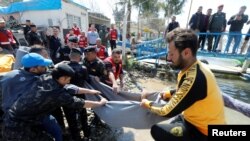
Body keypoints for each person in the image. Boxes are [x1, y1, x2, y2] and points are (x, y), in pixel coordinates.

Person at [140, 28, 225, 141]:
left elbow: (167, 111)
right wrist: (169, 93)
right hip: (193, 119)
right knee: (172, 124)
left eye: (171, 54)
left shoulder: (195, 78)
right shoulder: (193, 68)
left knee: (157, 130)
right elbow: (186, 91)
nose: (168, 58)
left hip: (203, 132)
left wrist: (146, 102)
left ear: (186, 53)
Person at [2, 63, 107, 141]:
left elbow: (68, 87)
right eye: (68, 79)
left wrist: (90, 91)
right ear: (62, 78)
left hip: (23, 117)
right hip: (17, 126)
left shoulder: (46, 77)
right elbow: (80, 103)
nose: (69, 81)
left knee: (54, 131)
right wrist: (100, 103)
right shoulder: (57, 94)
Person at [0, 53, 64, 141]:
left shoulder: (8, 76)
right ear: (33, 69)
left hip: (8, 116)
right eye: (42, 66)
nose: (45, 68)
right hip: (29, 116)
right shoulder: (36, 81)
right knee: (55, 129)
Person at [62, 48, 98, 140]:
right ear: (80, 58)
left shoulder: (63, 67)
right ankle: (86, 133)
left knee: (71, 119)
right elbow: (88, 80)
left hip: (66, 96)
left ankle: (76, 137)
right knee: (83, 115)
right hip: (80, 95)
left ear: (70, 56)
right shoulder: (83, 68)